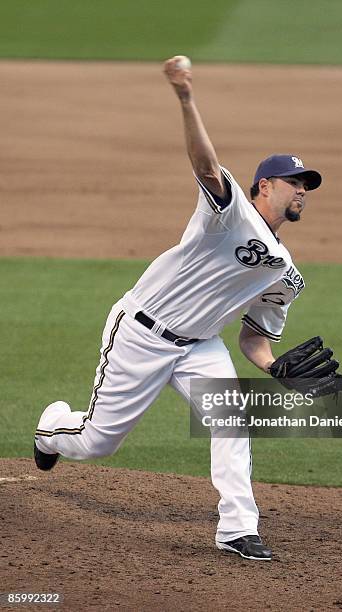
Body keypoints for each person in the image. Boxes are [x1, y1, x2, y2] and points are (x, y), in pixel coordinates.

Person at [34, 56, 322, 562]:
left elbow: (254, 338)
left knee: (232, 418)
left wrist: (274, 366)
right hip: (142, 331)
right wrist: (186, 97)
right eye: (294, 181)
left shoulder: (285, 273)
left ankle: (237, 527)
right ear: (264, 186)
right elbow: (207, 166)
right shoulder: (229, 214)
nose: (302, 190)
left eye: (307, 185)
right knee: (97, 443)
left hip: (200, 346)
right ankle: (52, 427)